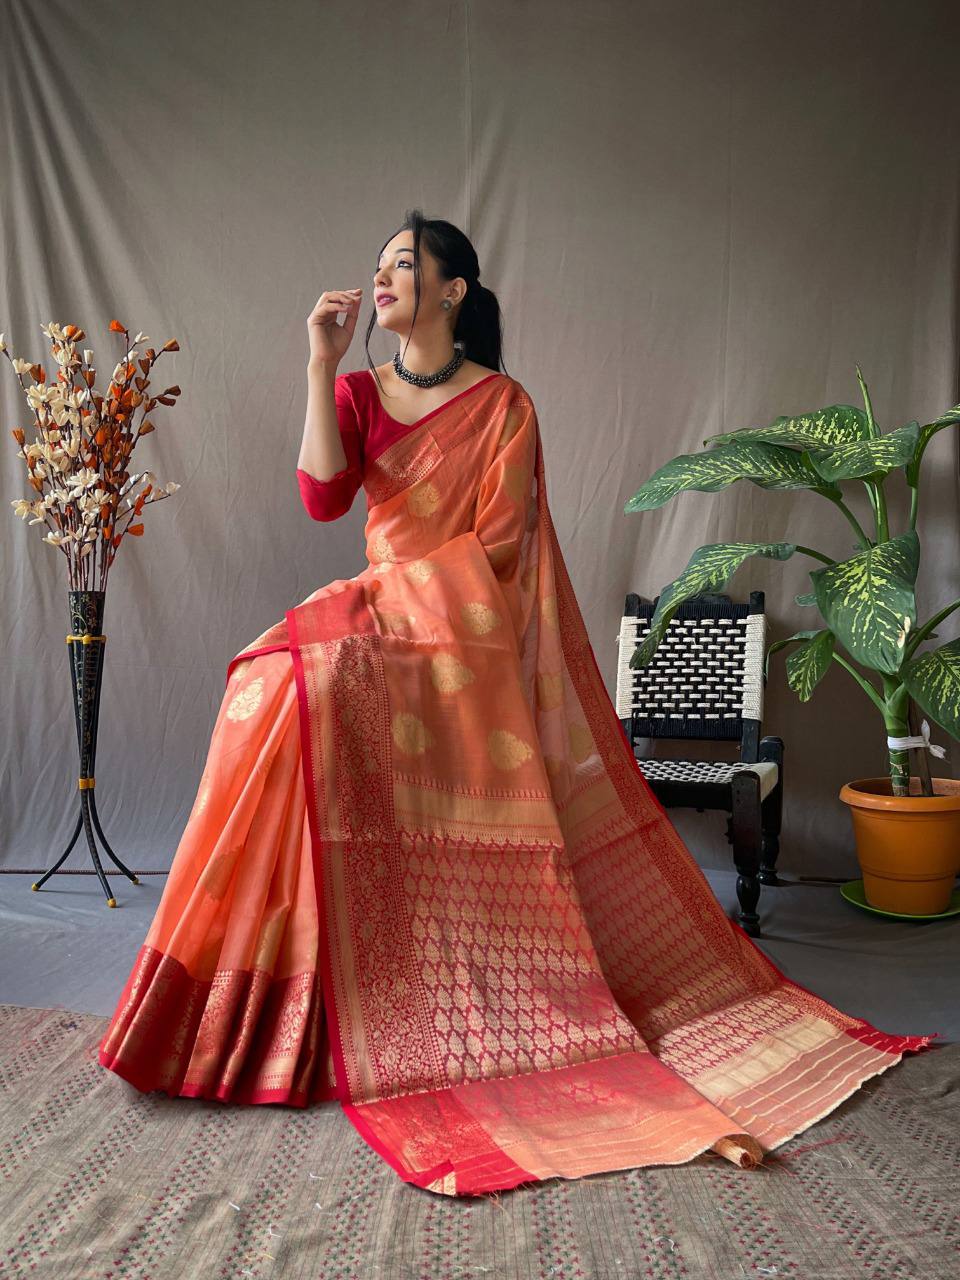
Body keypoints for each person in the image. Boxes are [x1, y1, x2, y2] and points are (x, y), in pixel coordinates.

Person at [98, 209, 933, 1199]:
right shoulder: (362, 389)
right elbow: (324, 498)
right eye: (379, 268)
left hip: (459, 633)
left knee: (309, 672)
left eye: (405, 265)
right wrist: (319, 366)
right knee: (273, 679)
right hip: (380, 614)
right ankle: (262, 1001)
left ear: (454, 290)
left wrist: (409, 602)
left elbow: (499, 554)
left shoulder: (504, 406)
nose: (383, 280)